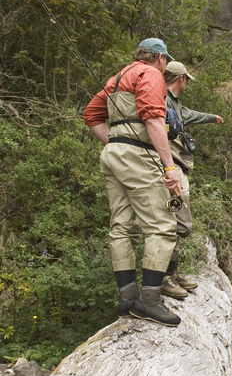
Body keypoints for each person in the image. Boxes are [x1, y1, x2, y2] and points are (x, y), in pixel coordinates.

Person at [83, 38, 182, 326]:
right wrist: (169, 166)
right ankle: (150, 301)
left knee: (122, 228)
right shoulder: (150, 74)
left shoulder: (115, 79)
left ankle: (126, 299)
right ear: (161, 58)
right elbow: (153, 120)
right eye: (165, 62)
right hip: (138, 157)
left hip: (112, 155)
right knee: (162, 226)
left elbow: (90, 116)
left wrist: (116, 142)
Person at [160, 61, 224, 299]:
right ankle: (163, 277)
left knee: (176, 222)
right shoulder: (162, 99)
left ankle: (171, 273)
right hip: (169, 171)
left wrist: (212, 117)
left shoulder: (174, 103)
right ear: (181, 79)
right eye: (187, 79)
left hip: (176, 168)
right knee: (175, 220)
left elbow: (191, 115)